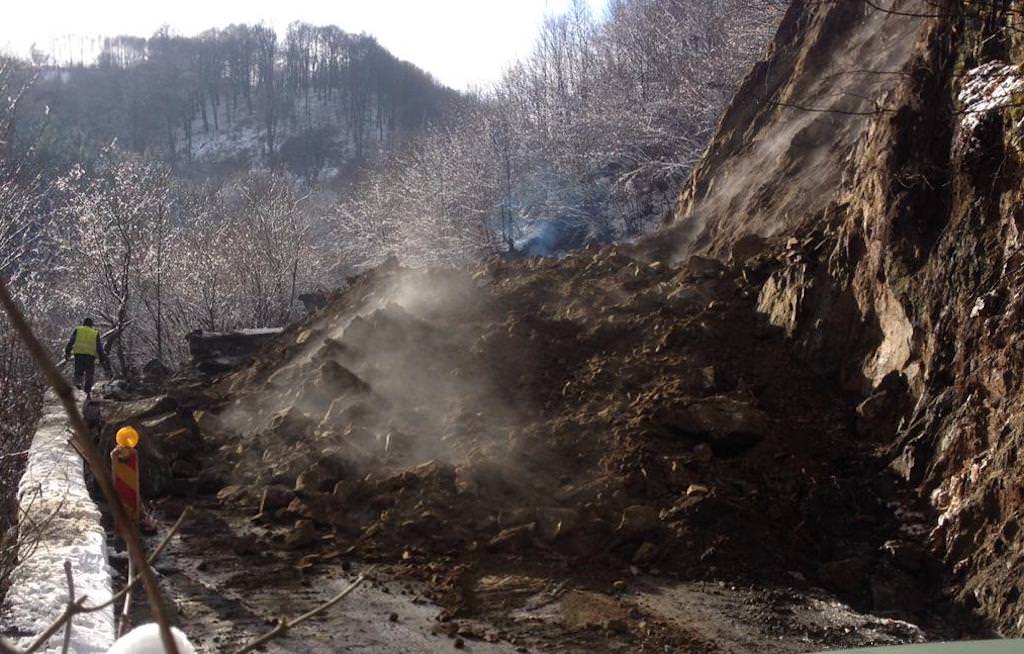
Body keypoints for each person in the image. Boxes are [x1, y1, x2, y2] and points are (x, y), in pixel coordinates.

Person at [64, 318, 107, 394]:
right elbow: (99, 347)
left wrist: (67, 352)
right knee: (89, 374)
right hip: (90, 356)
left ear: (83, 323)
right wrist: (102, 358)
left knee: (78, 372)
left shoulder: (78, 330)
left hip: (79, 355)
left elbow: (71, 341)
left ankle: (78, 386)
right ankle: (87, 392)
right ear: (91, 325)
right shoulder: (95, 333)